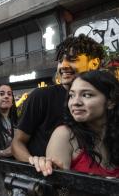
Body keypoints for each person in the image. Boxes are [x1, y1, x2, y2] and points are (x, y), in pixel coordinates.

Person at [12, 34, 106, 162]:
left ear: (94, 63)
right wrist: (35, 163)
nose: (63, 66)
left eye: (72, 59)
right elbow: (17, 143)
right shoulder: (41, 97)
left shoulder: (107, 101)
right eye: (60, 60)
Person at [29, 70, 119, 178]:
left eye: (86, 95)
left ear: (111, 101)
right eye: (71, 95)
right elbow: (59, 191)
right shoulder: (65, 135)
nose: (75, 102)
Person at [0, 84, 18, 158]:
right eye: (1, 94)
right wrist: (3, 153)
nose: (6, 96)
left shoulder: (17, 122)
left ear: (12, 100)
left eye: (9, 94)